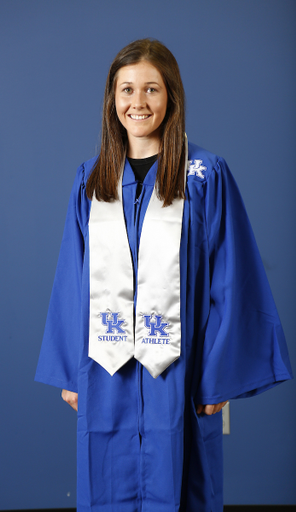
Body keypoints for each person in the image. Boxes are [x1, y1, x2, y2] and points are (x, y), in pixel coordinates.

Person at [35, 39, 292, 512]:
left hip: (180, 371)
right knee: (107, 477)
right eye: (126, 90)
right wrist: (72, 369)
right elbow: (73, 279)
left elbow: (232, 280)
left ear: (171, 95)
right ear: (112, 100)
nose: (138, 103)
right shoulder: (92, 179)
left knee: (181, 485)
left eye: (151, 89)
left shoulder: (204, 175)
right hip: (106, 368)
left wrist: (217, 378)